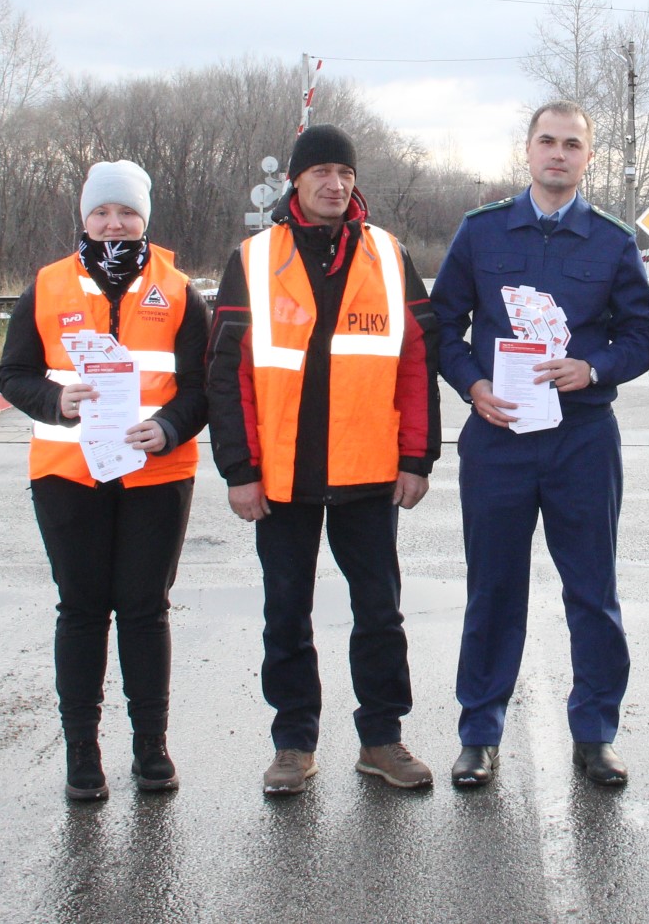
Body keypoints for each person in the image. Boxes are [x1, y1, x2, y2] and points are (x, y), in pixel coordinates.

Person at [206, 124, 443, 796]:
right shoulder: (253, 259)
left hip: (370, 476)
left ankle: (382, 738)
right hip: (281, 479)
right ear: (296, 182)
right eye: (321, 173)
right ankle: (293, 743)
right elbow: (228, 375)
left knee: (380, 612)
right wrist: (239, 470)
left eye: (344, 172)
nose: (334, 184)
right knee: (286, 612)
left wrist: (417, 456)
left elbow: (417, 361)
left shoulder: (390, 256)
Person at [429, 100, 649, 788]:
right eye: (547, 142)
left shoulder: (614, 243)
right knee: (493, 588)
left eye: (573, 145)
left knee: (592, 591)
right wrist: (472, 386)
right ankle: (480, 730)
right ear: (527, 151)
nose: (559, 154)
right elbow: (442, 327)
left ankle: (595, 731)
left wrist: (595, 368)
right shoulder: (482, 233)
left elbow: (642, 337)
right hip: (499, 437)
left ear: (588, 156)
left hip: (581, 437)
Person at [0, 159, 210, 801]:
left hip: (156, 476)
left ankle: (151, 750)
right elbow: (13, 374)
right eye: (101, 212)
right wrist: (53, 399)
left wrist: (169, 428)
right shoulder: (48, 285)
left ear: (144, 219)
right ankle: (82, 755)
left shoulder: (176, 291)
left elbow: (203, 389)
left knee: (145, 610)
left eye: (126, 213)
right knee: (83, 611)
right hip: (68, 475)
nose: (113, 223)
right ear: (84, 218)